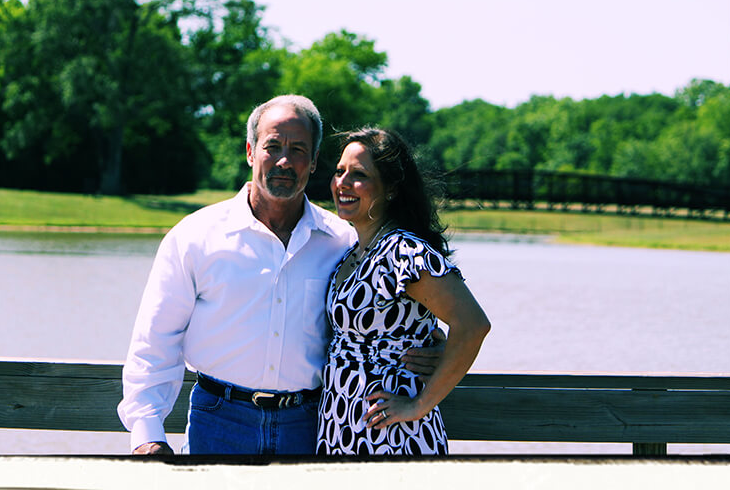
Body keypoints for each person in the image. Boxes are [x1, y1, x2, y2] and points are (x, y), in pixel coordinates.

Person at [117, 95, 442, 455]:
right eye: (272, 146)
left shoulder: (343, 241)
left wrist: (434, 343)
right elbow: (156, 341)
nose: (285, 160)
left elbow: (390, 313)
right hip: (218, 421)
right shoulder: (194, 236)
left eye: (299, 149)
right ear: (250, 151)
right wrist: (147, 434)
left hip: (309, 425)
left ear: (314, 161)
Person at [316, 127, 491, 455]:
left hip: (392, 436)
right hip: (341, 428)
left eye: (359, 175)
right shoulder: (352, 253)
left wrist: (419, 406)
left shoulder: (403, 252)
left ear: (391, 188)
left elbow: (472, 325)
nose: (343, 183)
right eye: (339, 172)